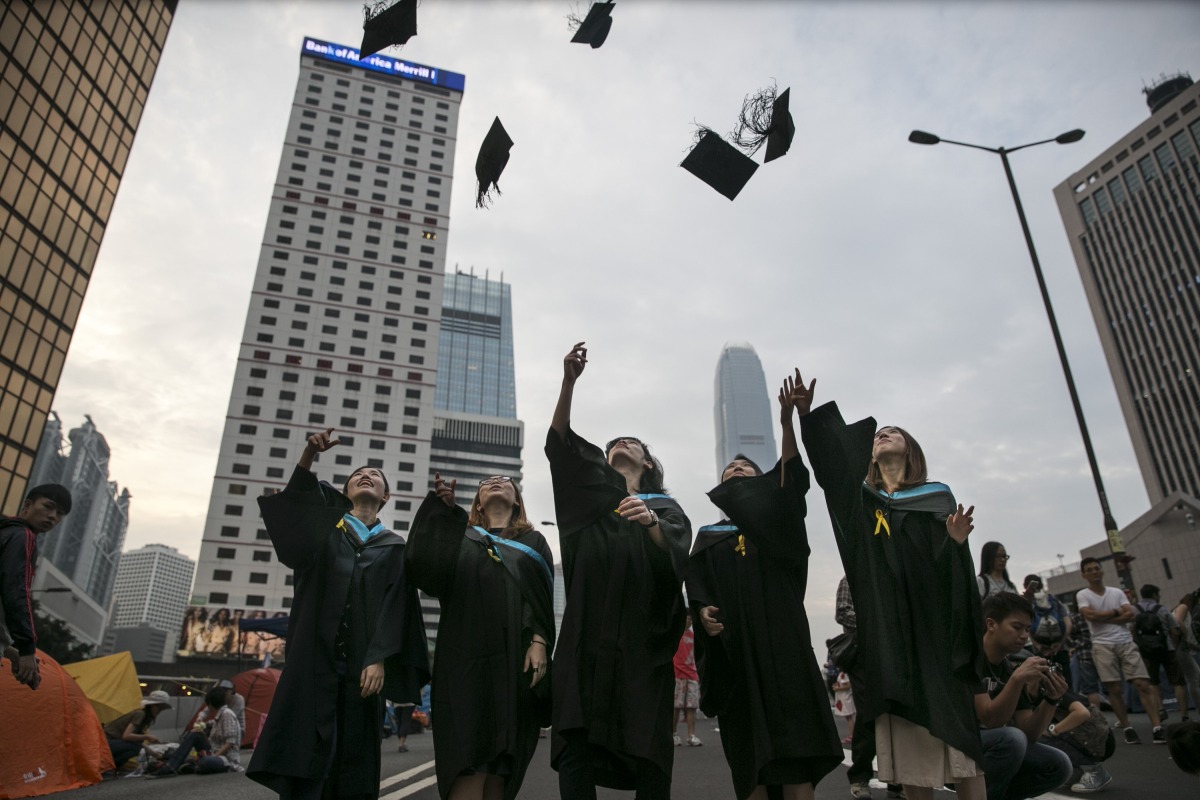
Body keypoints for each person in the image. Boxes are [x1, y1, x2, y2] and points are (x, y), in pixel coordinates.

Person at [797, 373, 985, 800]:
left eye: (893, 431)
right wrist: (807, 416)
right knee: (910, 755)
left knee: (962, 751)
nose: (883, 433)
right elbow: (830, 472)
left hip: (934, 642)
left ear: (911, 450)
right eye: (879, 434)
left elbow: (949, 584)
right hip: (890, 640)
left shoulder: (936, 499)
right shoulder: (860, 502)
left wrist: (955, 546)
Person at [247, 428, 429, 800]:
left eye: (375, 476)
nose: (367, 476)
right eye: (358, 474)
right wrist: (308, 456)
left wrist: (379, 658)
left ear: (386, 496)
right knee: (306, 758)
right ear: (346, 492)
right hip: (315, 663)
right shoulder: (324, 534)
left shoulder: (395, 548)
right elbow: (297, 505)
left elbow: (397, 609)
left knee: (355, 759)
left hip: (364, 669)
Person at [546, 342, 692, 800]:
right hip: (585, 644)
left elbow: (676, 561)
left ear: (647, 463)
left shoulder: (666, 509)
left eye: (631, 443)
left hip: (640, 650)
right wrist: (568, 383)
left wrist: (649, 522)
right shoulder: (587, 508)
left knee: (648, 754)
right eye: (612, 444)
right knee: (576, 748)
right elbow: (561, 449)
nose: (619, 445)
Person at [687, 371, 842, 800]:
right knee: (749, 757)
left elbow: (791, 480)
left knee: (794, 753)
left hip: (784, 647)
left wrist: (788, 421)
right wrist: (702, 612)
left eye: (745, 466)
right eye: (729, 467)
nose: (736, 467)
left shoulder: (777, 524)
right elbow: (697, 586)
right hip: (738, 655)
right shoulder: (708, 536)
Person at [406, 471, 554, 800]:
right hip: (463, 657)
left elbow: (541, 599)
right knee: (467, 755)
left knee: (503, 760)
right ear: (477, 502)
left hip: (514, 658)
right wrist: (441, 516)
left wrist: (539, 642)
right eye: (487, 482)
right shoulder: (460, 537)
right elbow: (424, 572)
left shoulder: (534, 543)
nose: (495, 482)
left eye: (504, 480)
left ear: (517, 500)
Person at [974, 592, 1073, 800]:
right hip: (953, 745)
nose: (1024, 636)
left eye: (1028, 629)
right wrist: (1017, 681)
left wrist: (1052, 699)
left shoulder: (1007, 667)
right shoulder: (971, 658)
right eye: (1017, 627)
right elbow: (990, 719)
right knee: (1011, 739)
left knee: (1060, 764)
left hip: (987, 745)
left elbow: (1029, 733)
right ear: (991, 624)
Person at [1075, 558, 1164, 744]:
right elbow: (1089, 615)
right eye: (1089, 570)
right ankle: (1127, 727)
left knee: (1142, 684)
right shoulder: (1083, 594)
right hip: (1102, 644)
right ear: (1084, 575)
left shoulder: (1116, 591)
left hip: (1125, 641)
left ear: (1102, 571)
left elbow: (1130, 613)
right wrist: (1117, 613)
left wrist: (1104, 617)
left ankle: (1157, 727)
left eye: (1096, 568)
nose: (1094, 572)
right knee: (1114, 688)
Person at [837, 577, 903, 800]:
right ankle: (860, 778)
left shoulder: (888, 573)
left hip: (892, 654)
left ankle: (897, 780)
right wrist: (877, 622)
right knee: (867, 715)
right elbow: (842, 612)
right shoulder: (851, 578)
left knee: (897, 714)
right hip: (863, 655)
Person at [0, 483, 72, 690]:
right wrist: (26, 648)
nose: (53, 516)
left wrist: (10, 651)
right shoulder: (23, 536)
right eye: (48, 507)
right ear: (28, 505)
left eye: (59, 514)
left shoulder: (6, 532)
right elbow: (15, 592)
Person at [149, 687, 244, 776]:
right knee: (195, 734)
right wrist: (201, 727)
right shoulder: (219, 715)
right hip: (214, 751)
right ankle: (171, 766)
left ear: (211, 703)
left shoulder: (227, 714)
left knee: (205, 761)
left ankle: (189, 764)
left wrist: (214, 756)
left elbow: (230, 742)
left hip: (226, 759)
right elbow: (206, 719)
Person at [1040, 691, 1115, 793]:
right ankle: (1076, 772)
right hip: (1085, 737)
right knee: (1037, 734)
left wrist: (1053, 730)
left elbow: (1082, 713)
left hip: (1099, 742)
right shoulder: (1034, 693)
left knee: (1040, 737)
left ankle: (1094, 770)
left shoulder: (1052, 690)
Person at [1132, 584, 1185, 723]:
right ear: (1155, 595)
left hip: (1147, 651)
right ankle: (1184, 714)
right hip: (1167, 648)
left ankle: (1160, 710)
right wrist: (1174, 644)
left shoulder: (1134, 610)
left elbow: (1131, 629)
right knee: (1177, 682)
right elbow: (1174, 629)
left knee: (1153, 682)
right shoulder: (1162, 609)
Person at [104, 690, 173, 772]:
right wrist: (147, 736)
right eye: (159, 708)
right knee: (136, 748)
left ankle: (115, 765)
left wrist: (156, 755)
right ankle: (110, 765)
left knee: (137, 745)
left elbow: (136, 742)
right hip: (105, 743)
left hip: (110, 743)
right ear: (152, 706)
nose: (159, 711)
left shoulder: (145, 717)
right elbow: (126, 736)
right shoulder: (140, 714)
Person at [1021, 575, 1071, 687]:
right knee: (1065, 682)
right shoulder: (1053, 600)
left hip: (1039, 650)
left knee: (1044, 683)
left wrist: (1037, 645)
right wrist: (1059, 644)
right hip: (1060, 649)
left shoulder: (1027, 603)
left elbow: (1026, 626)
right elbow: (1068, 623)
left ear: (1025, 586)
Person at [1065, 605, 1104, 712]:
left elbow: (1068, 635)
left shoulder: (1075, 618)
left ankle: (1097, 717)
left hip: (1084, 654)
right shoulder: (1098, 614)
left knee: (1091, 689)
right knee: (1111, 687)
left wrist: (1075, 645)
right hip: (1103, 651)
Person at [1171, 590, 1200, 722]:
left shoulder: (1180, 608)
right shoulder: (1183, 607)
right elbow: (1178, 621)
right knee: (1193, 678)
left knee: (1193, 678)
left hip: (1180, 647)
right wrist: (1188, 638)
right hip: (1180, 647)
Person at [672, 617, 701, 748]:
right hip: (677, 674)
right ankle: (673, 733)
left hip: (692, 674)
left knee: (692, 707)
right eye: (686, 619)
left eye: (690, 619)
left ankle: (691, 735)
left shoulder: (694, 637)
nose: (688, 621)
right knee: (676, 707)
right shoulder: (675, 635)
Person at [833, 671, 856, 746]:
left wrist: (838, 688)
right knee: (848, 717)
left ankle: (851, 735)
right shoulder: (842, 673)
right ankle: (851, 734)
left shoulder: (844, 674)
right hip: (844, 697)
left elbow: (849, 685)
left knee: (849, 717)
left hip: (846, 698)